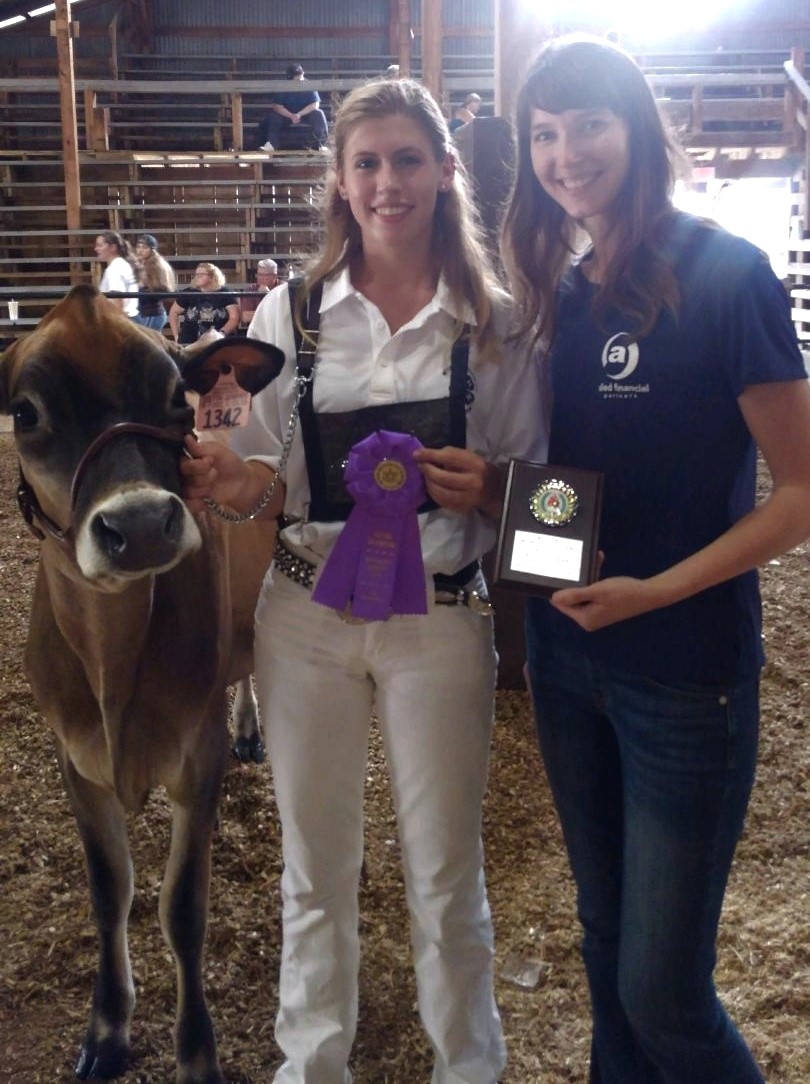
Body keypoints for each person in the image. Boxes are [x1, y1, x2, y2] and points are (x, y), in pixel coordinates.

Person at [181, 76, 548, 1084]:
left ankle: (468, 1066)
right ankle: (313, 1064)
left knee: (443, 869)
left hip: (441, 619)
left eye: (408, 160)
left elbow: (543, 486)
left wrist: (494, 489)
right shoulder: (288, 313)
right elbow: (262, 478)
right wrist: (227, 480)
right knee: (315, 869)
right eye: (368, 163)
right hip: (305, 618)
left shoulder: (496, 321)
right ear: (339, 181)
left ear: (446, 171)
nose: (389, 182)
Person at [500, 35, 810, 1084]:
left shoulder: (729, 277)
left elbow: (803, 492)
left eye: (589, 123)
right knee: (602, 935)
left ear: (637, 129)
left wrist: (657, 590)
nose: (566, 152)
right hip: (571, 656)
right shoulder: (558, 287)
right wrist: (537, 573)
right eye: (544, 133)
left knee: (664, 992)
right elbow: (563, 463)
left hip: (683, 670)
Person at [257, 63, 329, 155]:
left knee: (319, 114)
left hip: (305, 114)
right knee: (273, 117)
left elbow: (315, 104)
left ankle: (322, 144)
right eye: (297, 78)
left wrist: (299, 114)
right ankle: (271, 144)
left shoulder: (308, 84)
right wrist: (291, 115)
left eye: (301, 76)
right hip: (287, 115)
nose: (300, 80)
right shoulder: (283, 87)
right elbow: (277, 107)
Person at [168, 262, 240, 344]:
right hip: (190, 339)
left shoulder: (224, 293)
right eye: (196, 274)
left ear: (212, 277)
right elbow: (173, 312)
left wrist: (221, 333)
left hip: (217, 339)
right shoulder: (189, 292)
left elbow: (235, 317)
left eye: (201, 275)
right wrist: (176, 336)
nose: (197, 277)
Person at [133, 233, 176, 331]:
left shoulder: (157, 266)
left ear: (152, 250)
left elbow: (164, 291)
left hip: (151, 312)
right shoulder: (138, 265)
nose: (140, 250)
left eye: (144, 248)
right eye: (138, 247)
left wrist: (143, 289)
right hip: (142, 312)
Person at [94, 230, 138, 318]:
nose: (96, 249)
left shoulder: (114, 269)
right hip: (130, 317)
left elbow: (118, 299)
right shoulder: (122, 264)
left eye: (100, 245)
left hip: (123, 318)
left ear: (113, 247)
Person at [240, 257, 280, 327]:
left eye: (265, 275)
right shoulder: (251, 290)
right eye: (259, 274)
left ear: (274, 276)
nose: (260, 278)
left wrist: (268, 295)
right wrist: (274, 315)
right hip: (257, 329)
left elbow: (286, 315)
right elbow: (246, 317)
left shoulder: (283, 289)